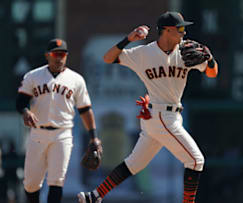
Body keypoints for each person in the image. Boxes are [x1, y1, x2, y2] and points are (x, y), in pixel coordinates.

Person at [77, 11, 218, 203]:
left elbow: (212, 73)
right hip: (161, 115)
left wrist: (209, 59)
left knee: (134, 164)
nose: (184, 33)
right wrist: (129, 39)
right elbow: (108, 58)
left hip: (168, 116)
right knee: (195, 160)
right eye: (180, 29)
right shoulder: (144, 53)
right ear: (167, 31)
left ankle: (94, 196)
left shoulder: (185, 51)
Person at [16, 38, 101, 203]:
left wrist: (93, 137)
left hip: (63, 134)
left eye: (62, 54)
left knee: (57, 180)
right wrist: (25, 111)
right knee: (31, 184)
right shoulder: (33, 76)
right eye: (56, 54)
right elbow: (20, 102)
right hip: (37, 133)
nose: (59, 58)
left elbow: (85, 110)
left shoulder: (76, 80)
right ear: (47, 55)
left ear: (66, 56)